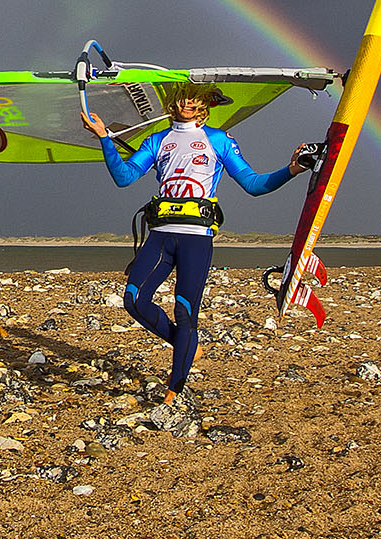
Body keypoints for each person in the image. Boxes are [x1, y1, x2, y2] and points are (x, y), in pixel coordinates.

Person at [81, 83, 313, 404]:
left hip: (196, 239)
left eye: (195, 97)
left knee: (185, 311)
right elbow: (124, 177)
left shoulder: (218, 140)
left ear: (204, 103)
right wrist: (105, 138)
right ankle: (187, 345)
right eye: (183, 96)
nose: (188, 102)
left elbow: (253, 184)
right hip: (161, 235)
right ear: (173, 100)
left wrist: (292, 170)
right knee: (134, 300)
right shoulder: (157, 141)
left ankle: (173, 392)